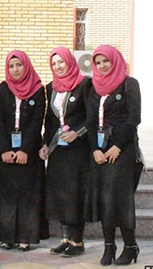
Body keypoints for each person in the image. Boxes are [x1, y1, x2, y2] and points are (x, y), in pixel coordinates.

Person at [0, 50, 48, 251]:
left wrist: (25, 150)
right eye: (11, 66)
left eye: (19, 65)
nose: (15, 69)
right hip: (5, 152)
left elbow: (37, 122)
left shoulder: (38, 90)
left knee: (28, 195)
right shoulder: (3, 89)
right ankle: (6, 236)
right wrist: (3, 148)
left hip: (28, 152)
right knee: (7, 194)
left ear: (26, 65)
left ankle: (25, 237)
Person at [85, 45, 141, 266]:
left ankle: (130, 246)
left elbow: (134, 118)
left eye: (105, 61)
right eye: (98, 63)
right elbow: (90, 121)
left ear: (115, 60)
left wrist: (117, 146)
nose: (102, 66)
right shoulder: (93, 88)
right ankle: (109, 246)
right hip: (100, 150)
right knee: (103, 199)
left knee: (120, 199)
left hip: (122, 150)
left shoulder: (129, 84)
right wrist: (95, 149)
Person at [38, 46, 92, 257]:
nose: (58, 66)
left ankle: (77, 242)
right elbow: (50, 119)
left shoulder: (85, 84)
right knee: (59, 193)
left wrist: (78, 133)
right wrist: (45, 144)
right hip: (58, 150)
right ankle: (65, 238)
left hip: (78, 150)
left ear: (70, 61)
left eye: (61, 62)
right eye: (54, 63)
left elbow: (92, 117)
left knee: (74, 194)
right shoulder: (51, 87)